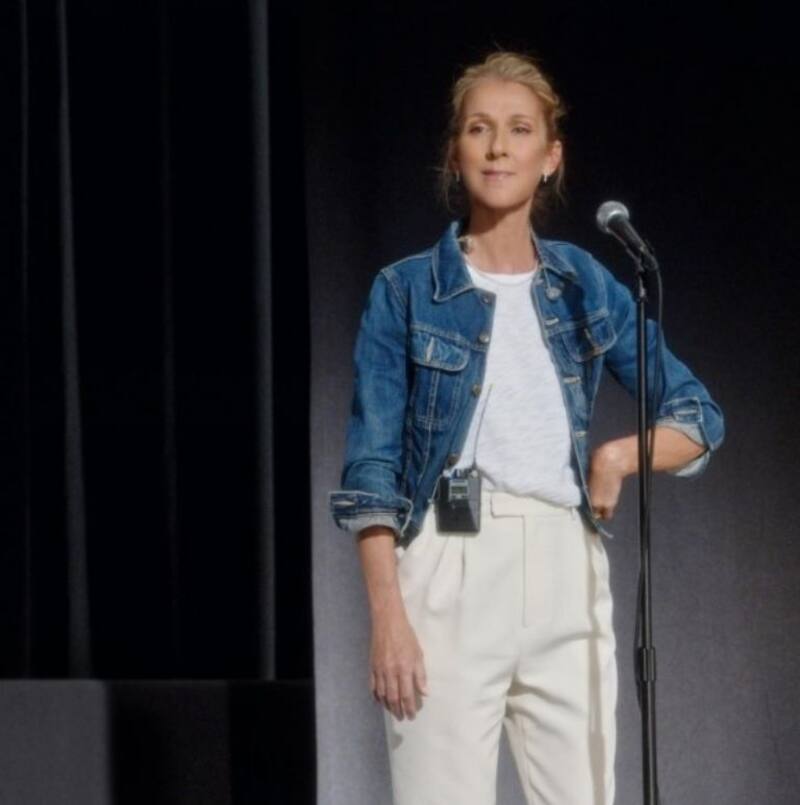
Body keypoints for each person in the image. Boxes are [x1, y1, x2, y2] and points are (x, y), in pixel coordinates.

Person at [328, 50, 724, 805]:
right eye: (479, 129)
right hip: (448, 569)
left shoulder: (583, 283)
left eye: (519, 130)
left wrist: (617, 457)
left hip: (564, 565)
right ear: (455, 152)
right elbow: (371, 473)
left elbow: (699, 416)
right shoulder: (406, 290)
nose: (498, 147)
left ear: (551, 157)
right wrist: (388, 618)